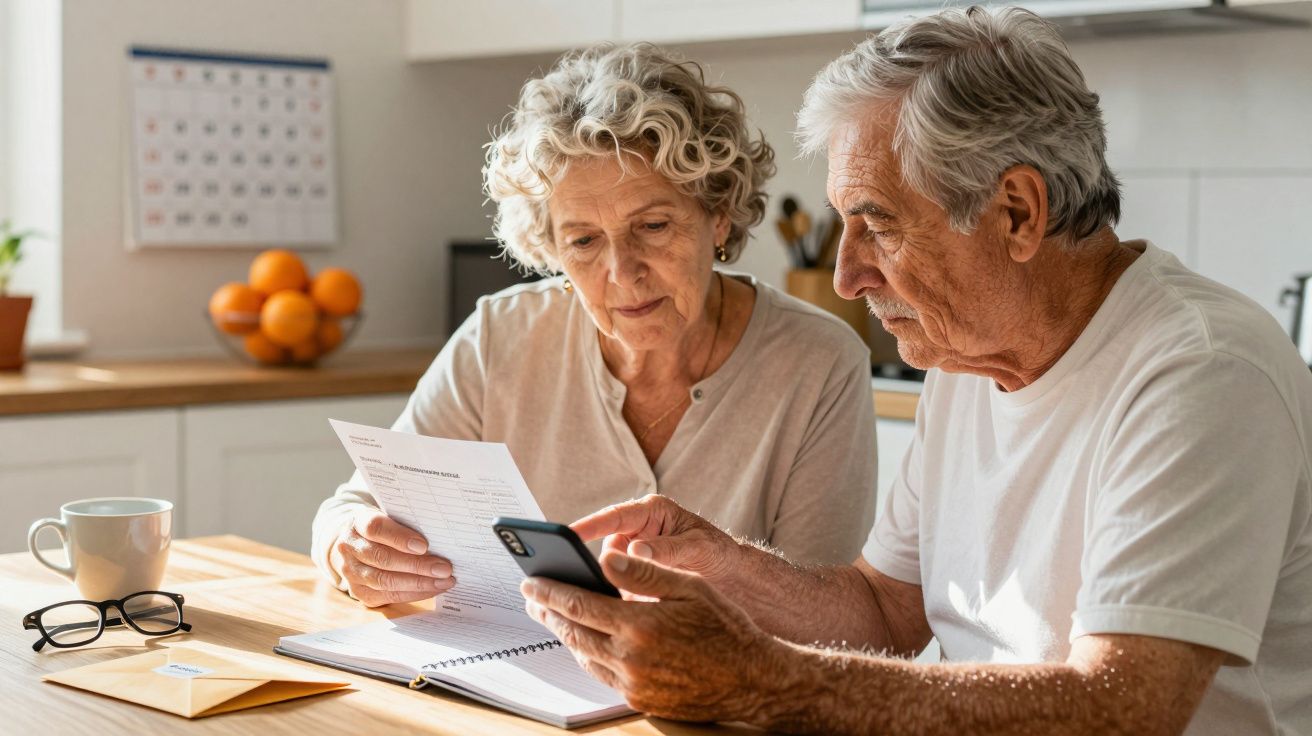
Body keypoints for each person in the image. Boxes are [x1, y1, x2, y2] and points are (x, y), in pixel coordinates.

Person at [520, 7, 1312, 734]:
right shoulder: (965, 359)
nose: (847, 275)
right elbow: (882, 614)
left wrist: (766, 680)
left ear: (1017, 213)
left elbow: (1122, 709)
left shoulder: (1202, 375)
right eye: (843, 225)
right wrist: (719, 561)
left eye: (880, 225)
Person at [310, 44, 879, 608]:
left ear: (719, 214)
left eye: (653, 226)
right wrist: (351, 546)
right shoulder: (498, 338)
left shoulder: (819, 362)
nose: (621, 272)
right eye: (582, 241)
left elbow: (823, 614)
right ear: (550, 246)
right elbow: (352, 505)